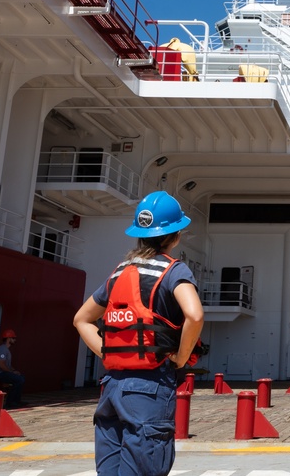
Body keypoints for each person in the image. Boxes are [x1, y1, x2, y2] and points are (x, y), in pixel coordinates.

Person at [73, 191, 204, 476]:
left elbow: (81, 320)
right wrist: (181, 357)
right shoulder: (174, 272)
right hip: (150, 388)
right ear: (176, 235)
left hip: (111, 387)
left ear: (139, 234)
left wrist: (110, 352)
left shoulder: (119, 273)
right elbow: (194, 314)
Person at [0, 328, 25, 409]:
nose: (15, 340)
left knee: (21, 377)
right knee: (19, 380)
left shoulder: (6, 350)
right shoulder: (2, 349)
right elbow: (2, 365)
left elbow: (7, 365)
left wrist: (14, 371)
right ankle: (10, 402)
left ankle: (16, 400)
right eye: (13, 338)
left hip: (3, 372)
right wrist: (12, 373)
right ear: (9, 339)